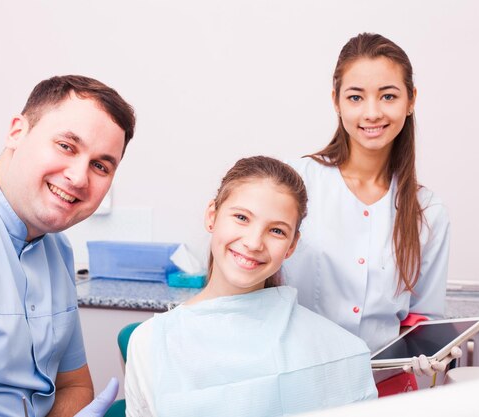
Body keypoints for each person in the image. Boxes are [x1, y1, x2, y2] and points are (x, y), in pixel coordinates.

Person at [0, 75, 135, 416]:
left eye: (100, 165)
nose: (79, 177)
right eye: (66, 146)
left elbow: (75, 385)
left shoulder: (57, 248)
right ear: (17, 132)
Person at [124, 156, 377, 417]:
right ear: (212, 215)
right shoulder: (150, 343)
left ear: (291, 245)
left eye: (277, 231)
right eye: (242, 217)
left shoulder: (340, 352)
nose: (254, 242)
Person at [281, 33, 458, 395]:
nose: (372, 112)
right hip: (299, 386)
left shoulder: (429, 210)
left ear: (411, 101)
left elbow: (422, 316)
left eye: (388, 96)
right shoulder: (296, 184)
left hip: (385, 389)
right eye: (356, 97)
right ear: (336, 102)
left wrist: (431, 349)